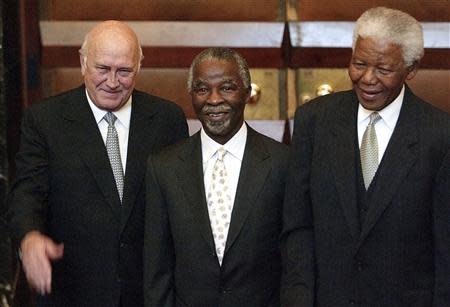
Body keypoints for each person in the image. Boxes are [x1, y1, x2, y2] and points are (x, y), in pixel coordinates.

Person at [7, 20, 188, 306]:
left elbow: (182, 206)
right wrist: (29, 238)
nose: (113, 82)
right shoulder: (45, 121)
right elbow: (27, 193)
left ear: (139, 67)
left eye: (124, 71)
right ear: (83, 63)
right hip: (72, 292)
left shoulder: (167, 120)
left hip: (148, 294)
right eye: (102, 69)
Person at [281, 7, 450, 307]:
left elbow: (444, 247)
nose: (367, 78)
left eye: (383, 69)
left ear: (411, 69)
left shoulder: (440, 135)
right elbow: (298, 226)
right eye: (359, 63)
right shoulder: (314, 121)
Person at [143, 47, 288, 306]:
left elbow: (294, 262)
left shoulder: (283, 163)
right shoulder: (163, 167)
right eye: (201, 90)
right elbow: (158, 269)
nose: (213, 99)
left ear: (246, 92)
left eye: (227, 88)